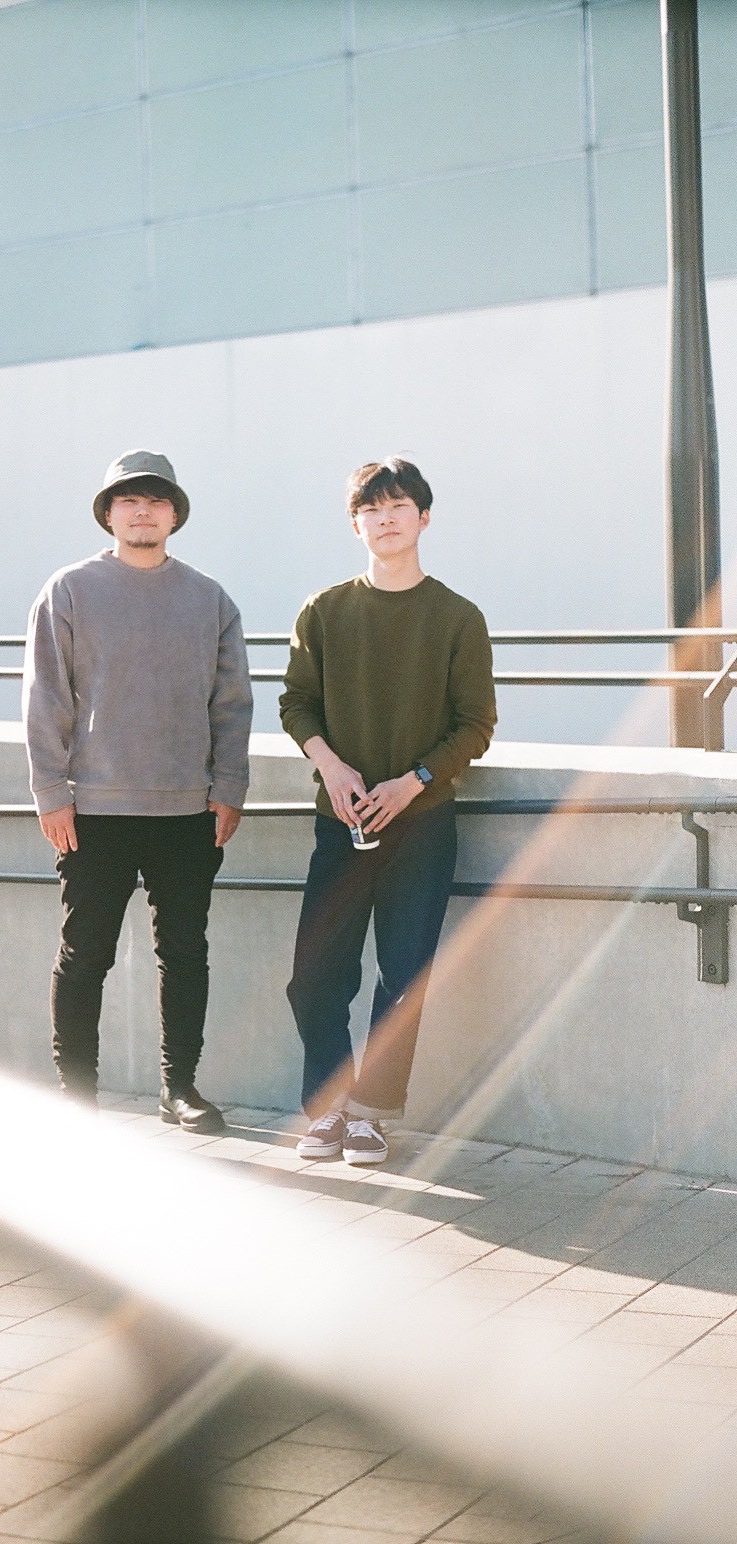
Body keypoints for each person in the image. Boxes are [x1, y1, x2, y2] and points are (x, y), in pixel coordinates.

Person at [23, 450, 253, 1134]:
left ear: (175, 514)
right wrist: (49, 791)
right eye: (129, 499)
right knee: (84, 954)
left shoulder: (209, 598)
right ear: (109, 513)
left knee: (184, 952)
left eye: (156, 499)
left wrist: (230, 786)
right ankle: (78, 1098)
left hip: (188, 809)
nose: (143, 509)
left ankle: (179, 1089)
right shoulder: (68, 590)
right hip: (94, 809)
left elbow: (232, 703)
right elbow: (45, 698)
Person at [279, 457, 496, 1166]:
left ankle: (370, 1114)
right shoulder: (323, 611)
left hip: (423, 825)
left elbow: (475, 724)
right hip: (341, 824)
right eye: (371, 509)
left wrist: (415, 780)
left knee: (402, 977)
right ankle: (327, 1108)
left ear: (424, 517)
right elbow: (296, 703)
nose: (386, 518)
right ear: (356, 524)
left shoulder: (458, 616)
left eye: (399, 505)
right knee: (315, 975)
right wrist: (332, 767)